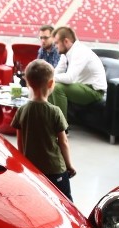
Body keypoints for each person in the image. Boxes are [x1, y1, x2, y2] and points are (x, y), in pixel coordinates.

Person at [10, 59, 76, 200]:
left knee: (38, 200)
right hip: (55, 169)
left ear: (27, 83)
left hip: (32, 169)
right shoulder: (55, 111)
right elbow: (63, 142)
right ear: (51, 83)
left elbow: (20, 141)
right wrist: (69, 165)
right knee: (64, 201)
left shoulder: (22, 111)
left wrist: (24, 163)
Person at [47, 26, 107, 121]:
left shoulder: (80, 51)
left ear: (66, 41)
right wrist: (46, 78)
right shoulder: (66, 52)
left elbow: (70, 78)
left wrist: (49, 78)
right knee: (49, 84)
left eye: (57, 43)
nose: (55, 46)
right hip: (80, 86)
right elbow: (57, 71)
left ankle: (61, 127)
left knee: (57, 87)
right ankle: (51, 120)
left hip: (94, 91)